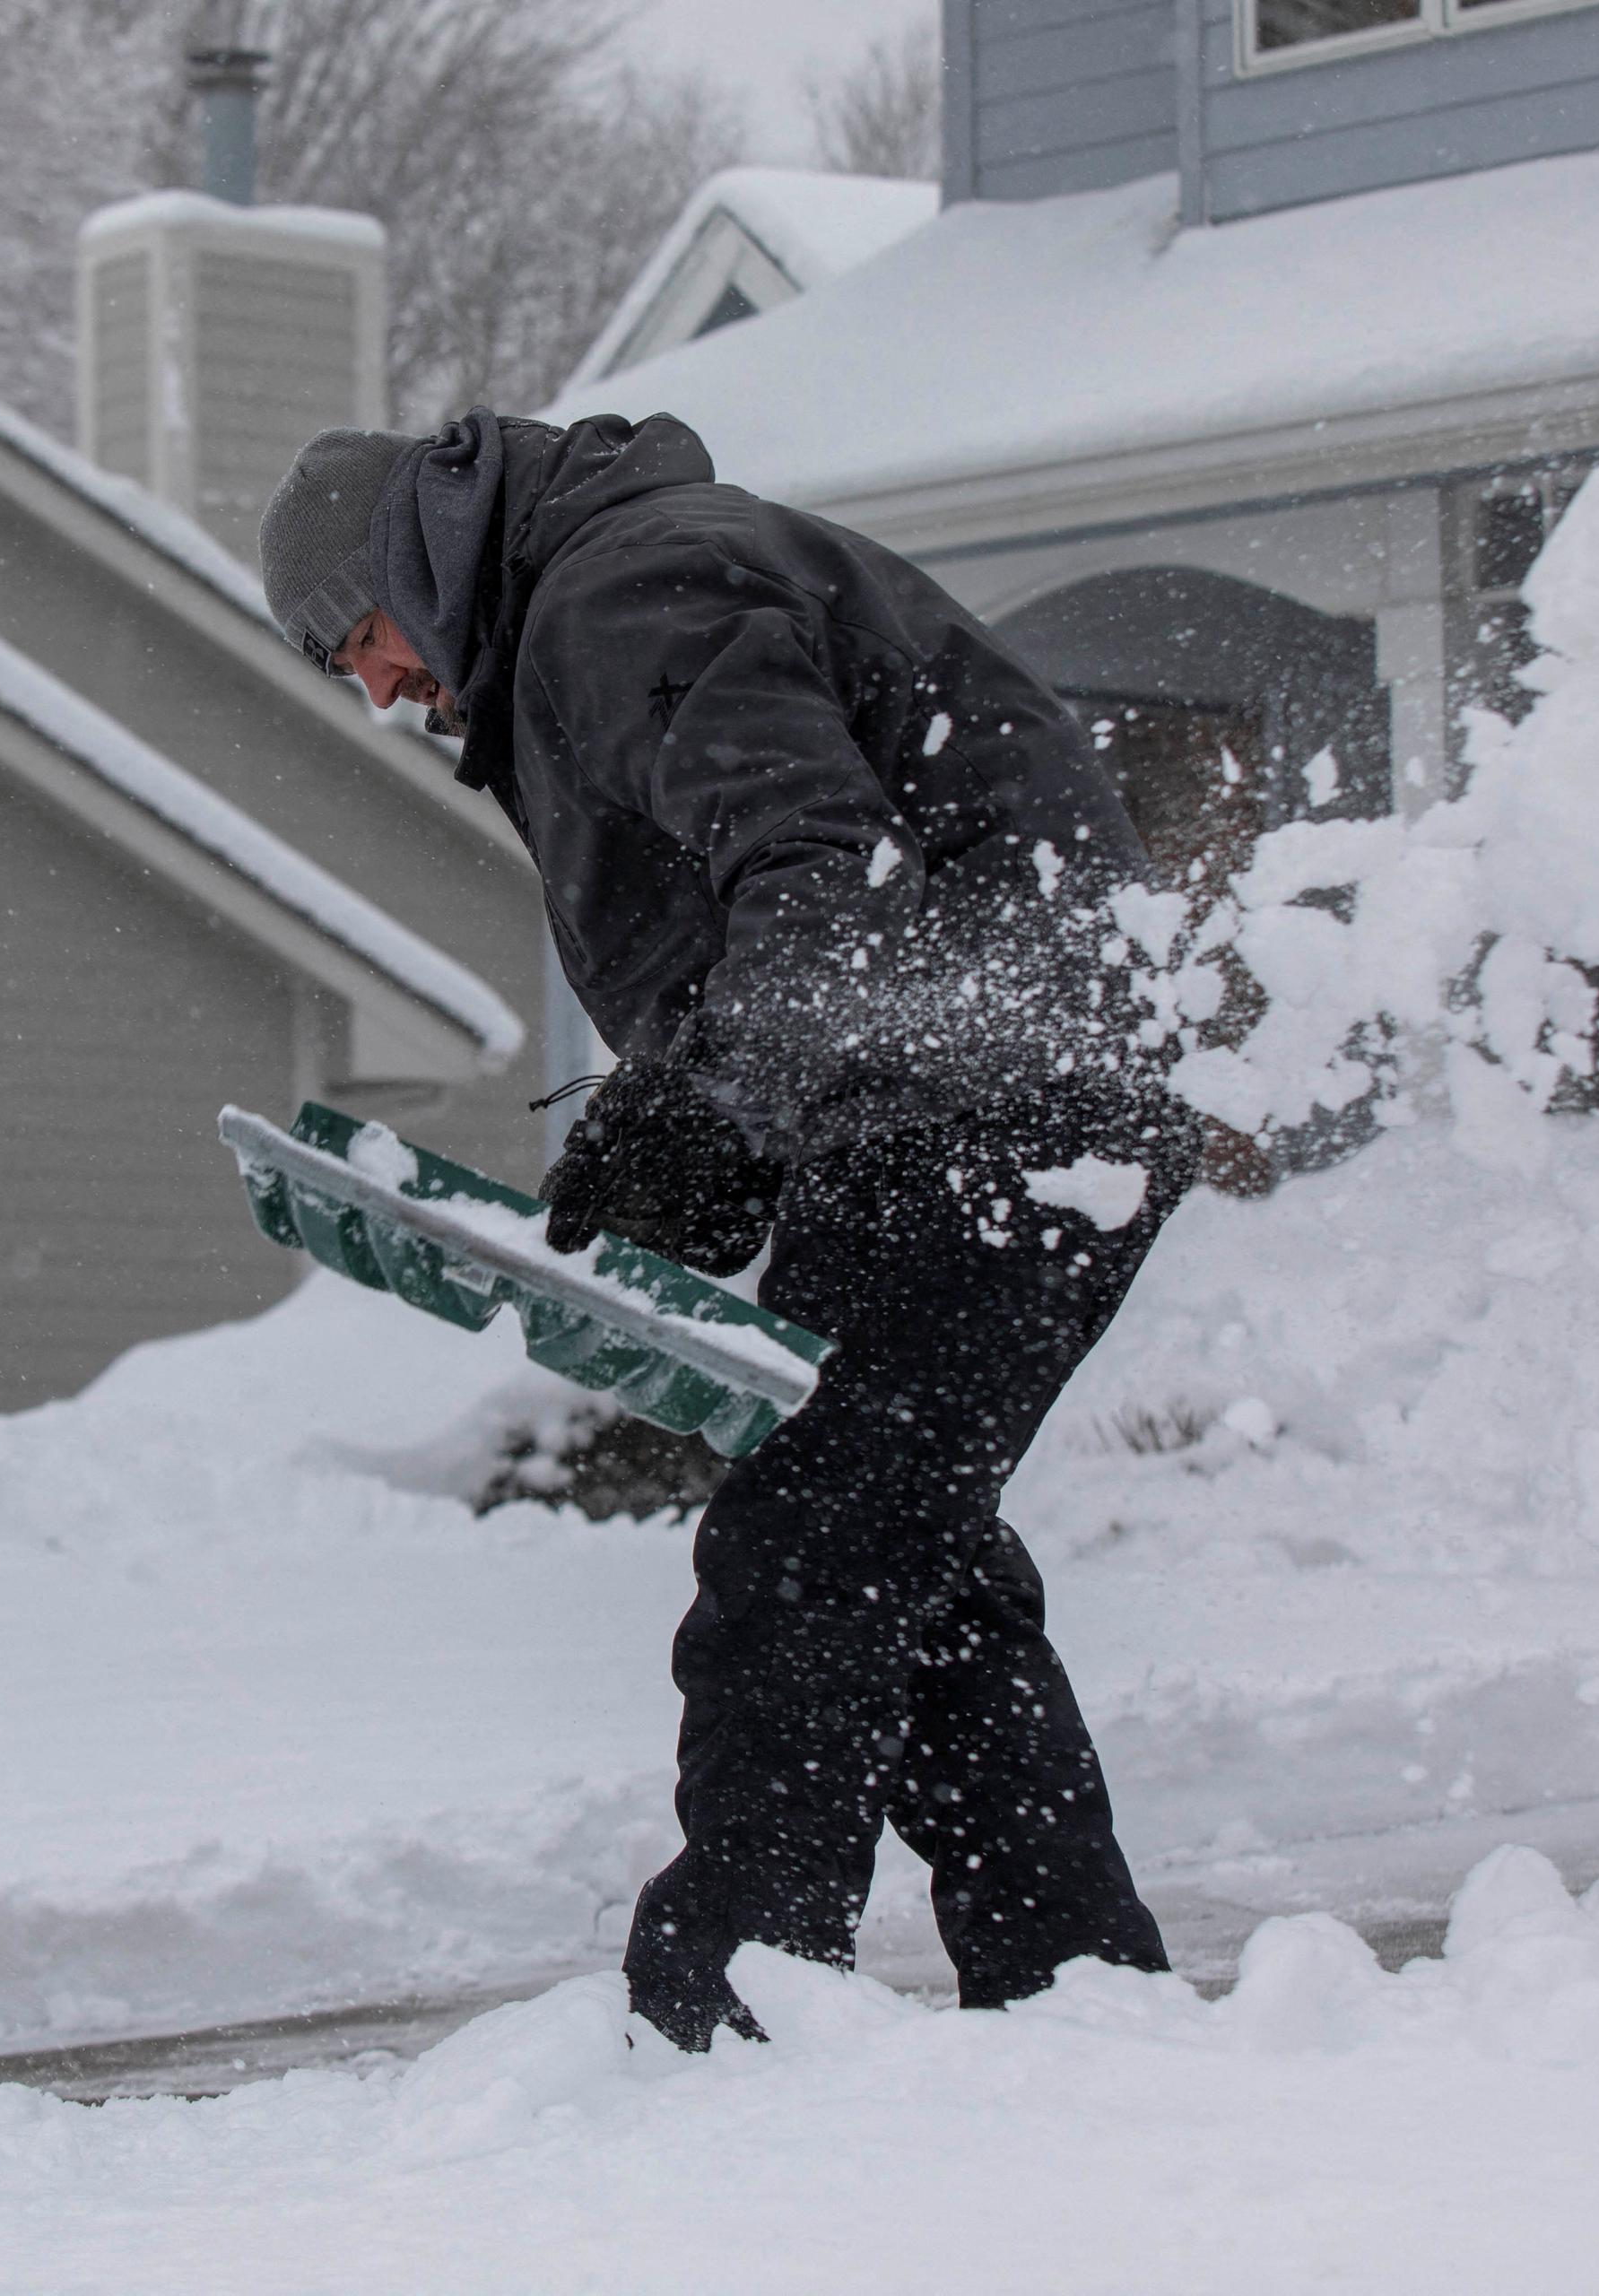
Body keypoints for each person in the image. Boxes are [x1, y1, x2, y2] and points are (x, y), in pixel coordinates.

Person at [259, 409, 1196, 2051]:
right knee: (911, 1558)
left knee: (807, 1559)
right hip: (985, 1105)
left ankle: (726, 2014)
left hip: (994, 1109)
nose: (385, 691)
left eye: (363, 642)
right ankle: (1076, 1988)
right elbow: (790, 925)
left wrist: (708, 1110)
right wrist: (695, 1114)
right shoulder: (604, 600)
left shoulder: (629, 590)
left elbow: (809, 872)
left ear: (407, 561)